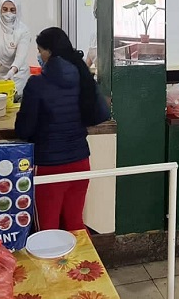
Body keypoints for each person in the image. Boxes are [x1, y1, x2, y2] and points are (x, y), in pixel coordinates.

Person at [15, 27, 110, 231]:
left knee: (47, 228)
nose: (39, 55)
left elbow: (23, 130)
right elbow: (101, 113)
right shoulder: (83, 76)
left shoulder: (37, 84)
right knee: (75, 225)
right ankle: (82, 254)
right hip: (80, 161)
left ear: (49, 51)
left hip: (48, 165)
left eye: (40, 50)